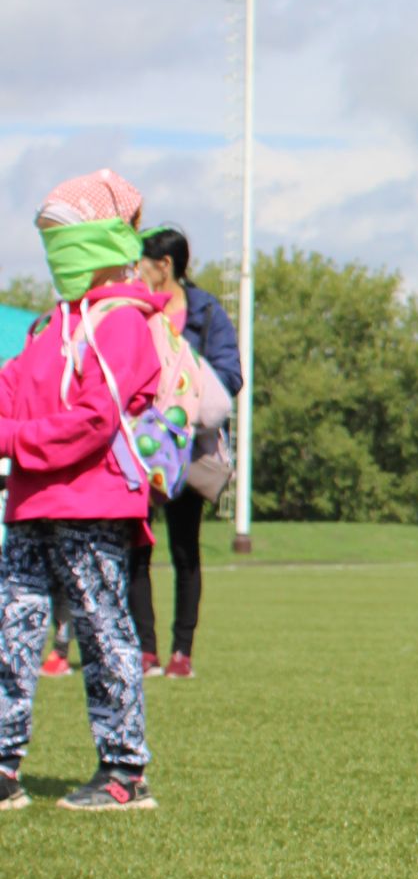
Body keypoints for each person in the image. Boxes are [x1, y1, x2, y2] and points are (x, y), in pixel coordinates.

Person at [0, 168, 164, 810]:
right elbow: (10, 392)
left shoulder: (122, 322)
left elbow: (95, 419)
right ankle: (4, 764)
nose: (55, 251)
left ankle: (124, 770)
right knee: (12, 631)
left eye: (64, 235)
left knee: (101, 632)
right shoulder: (50, 327)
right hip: (31, 503)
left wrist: (14, 441)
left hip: (91, 505)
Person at [126, 226, 240, 680]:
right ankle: (145, 650)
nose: (138, 271)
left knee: (184, 549)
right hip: (140, 448)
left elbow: (230, 375)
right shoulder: (133, 311)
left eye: (144, 263)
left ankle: (181, 653)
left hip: (188, 449)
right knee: (136, 547)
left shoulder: (207, 313)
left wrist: (184, 393)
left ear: (164, 265)